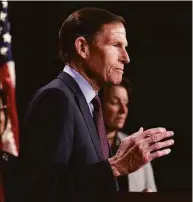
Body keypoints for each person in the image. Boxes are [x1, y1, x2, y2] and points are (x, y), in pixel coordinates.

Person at [20, 7, 174, 202]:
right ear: (83, 47)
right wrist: (115, 166)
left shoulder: (90, 105)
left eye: (125, 47)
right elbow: (44, 190)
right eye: (116, 45)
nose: (126, 57)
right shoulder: (56, 98)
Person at [99, 78, 157, 192]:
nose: (123, 110)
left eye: (125, 103)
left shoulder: (138, 146)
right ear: (98, 105)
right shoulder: (81, 145)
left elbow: (151, 190)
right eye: (114, 102)